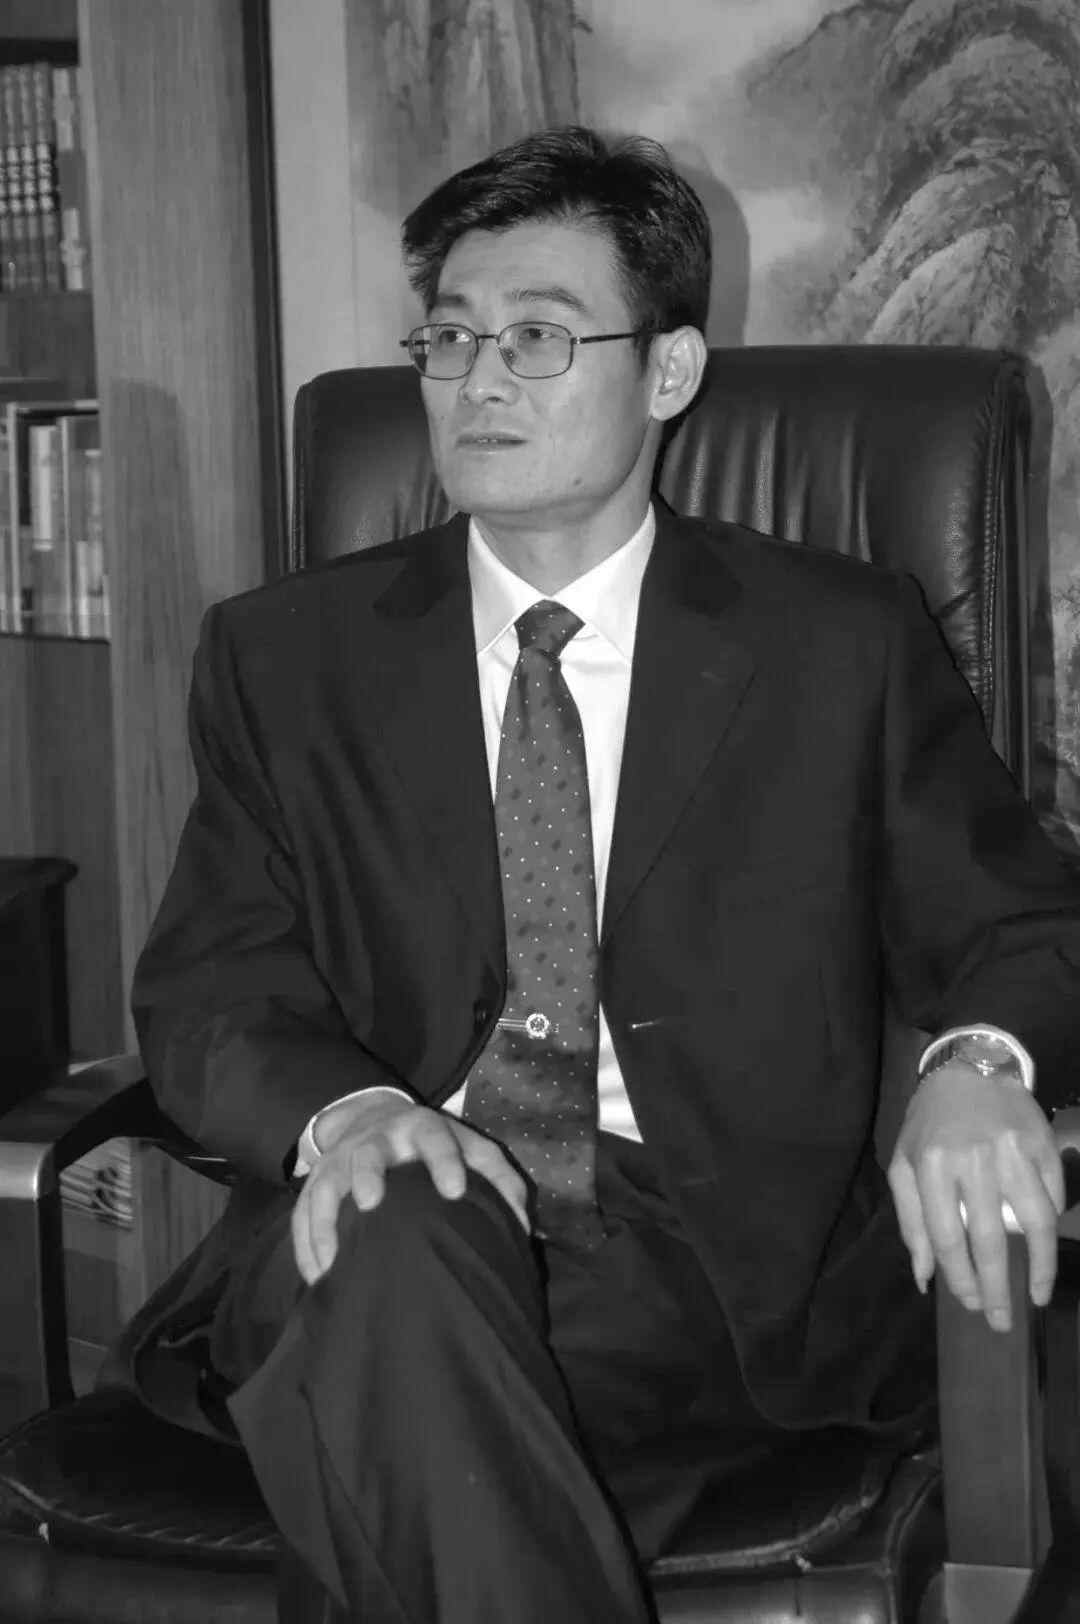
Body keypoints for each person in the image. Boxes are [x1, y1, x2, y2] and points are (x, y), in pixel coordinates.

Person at [128, 126, 1080, 1624]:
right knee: (398, 1233)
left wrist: (976, 1062)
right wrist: (352, 1114)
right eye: (449, 336)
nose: (477, 379)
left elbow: (1019, 919)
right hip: (357, 1215)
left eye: (537, 335)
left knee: (381, 1424)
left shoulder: (834, 646)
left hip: (702, 1269)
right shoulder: (284, 658)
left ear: (672, 370)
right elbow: (210, 986)